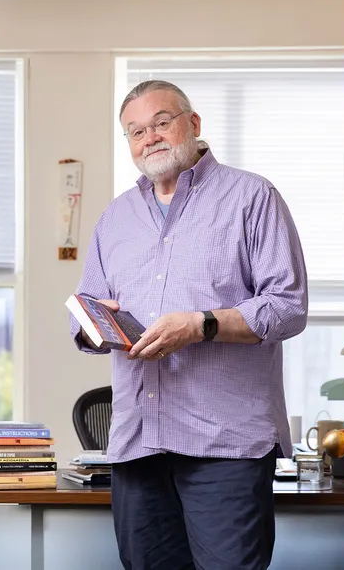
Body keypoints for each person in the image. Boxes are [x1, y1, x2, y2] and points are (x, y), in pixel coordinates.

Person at [70, 79, 308, 570]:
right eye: (135, 132)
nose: (149, 138)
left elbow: (287, 307)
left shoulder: (252, 197)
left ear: (192, 124)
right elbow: (91, 310)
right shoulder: (115, 218)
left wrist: (201, 325)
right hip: (138, 443)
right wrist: (95, 325)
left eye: (161, 122)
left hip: (225, 446)